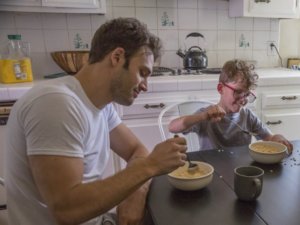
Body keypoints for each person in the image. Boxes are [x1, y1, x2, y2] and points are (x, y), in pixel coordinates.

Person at [5, 18, 188, 225]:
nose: (145, 86)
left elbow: (137, 150)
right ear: (117, 57)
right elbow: (67, 210)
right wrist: (151, 166)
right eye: (142, 73)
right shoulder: (56, 103)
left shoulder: (101, 105)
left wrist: (134, 195)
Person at [168, 59, 293, 153]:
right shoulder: (206, 115)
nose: (243, 100)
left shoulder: (247, 116)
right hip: (212, 171)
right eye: (238, 92)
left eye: (247, 94)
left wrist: (279, 138)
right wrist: (202, 116)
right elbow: (173, 127)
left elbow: (270, 138)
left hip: (240, 169)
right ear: (221, 88)